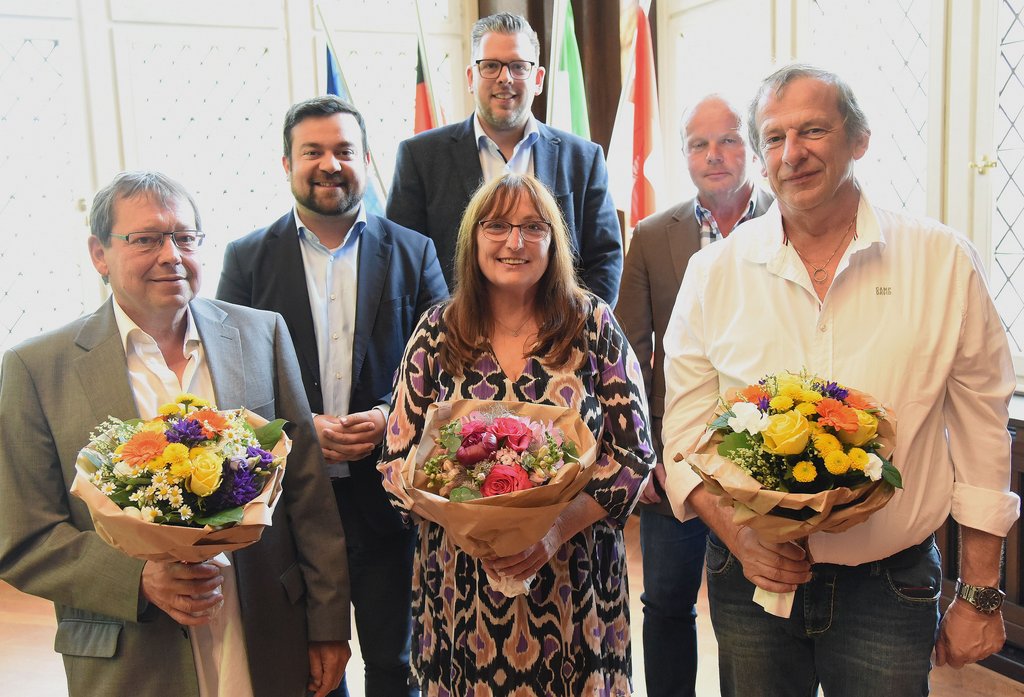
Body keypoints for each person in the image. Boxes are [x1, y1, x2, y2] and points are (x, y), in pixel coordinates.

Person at [661, 64, 1020, 696]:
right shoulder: (713, 273)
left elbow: (982, 434)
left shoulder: (941, 262)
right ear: (760, 158)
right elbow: (684, 437)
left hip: (890, 586)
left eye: (813, 131)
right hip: (752, 583)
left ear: (860, 139)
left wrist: (981, 594)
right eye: (774, 138)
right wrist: (742, 540)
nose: (792, 154)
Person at [0, 171, 351, 697]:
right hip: (134, 655)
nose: (171, 255)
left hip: (266, 633)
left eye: (185, 238)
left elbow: (308, 494)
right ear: (99, 254)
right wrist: (137, 579)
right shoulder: (37, 369)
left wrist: (328, 626)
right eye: (145, 239)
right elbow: (23, 537)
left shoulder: (261, 334)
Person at [383, 172, 654, 695]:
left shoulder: (593, 324)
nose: (515, 242)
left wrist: (553, 531)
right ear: (473, 238)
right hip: (460, 583)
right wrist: (471, 527)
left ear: (554, 241)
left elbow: (635, 455)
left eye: (533, 227)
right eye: (497, 226)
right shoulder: (437, 330)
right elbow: (396, 459)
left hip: (575, 577)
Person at [217, 96, 448, 697]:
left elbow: (447, 366)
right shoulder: (247, 258)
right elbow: (228, 378)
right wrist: (297, 428)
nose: (329, 164)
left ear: (365, 159)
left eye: (344, 150)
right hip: (288, 504)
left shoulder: (414, 251)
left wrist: (388, 416)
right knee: (309, 669)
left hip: (387, 498)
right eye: (312, 151)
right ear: (286, 163)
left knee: (396, 665)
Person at [616, 94, 772, 697]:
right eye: (699, 144)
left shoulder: (790, 220)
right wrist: (643, 455)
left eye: (728, 140)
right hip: (674, 456)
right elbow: (629, 357)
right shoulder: (654, 236)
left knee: (756, 611)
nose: (715, 155)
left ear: (750, 147)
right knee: (666, 602)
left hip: (767, 455)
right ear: (683, 156)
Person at [386, 12, 623, 305]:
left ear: (538, 79)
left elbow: (605, 260)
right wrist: (444, 326)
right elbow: (403, 261)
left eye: (518, 66)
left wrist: (576, 325)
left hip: (560, 329)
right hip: (453, 329)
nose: (505, 78)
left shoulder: (583, 159)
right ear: (471, 77)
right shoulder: (419, 158)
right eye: (491, 66)